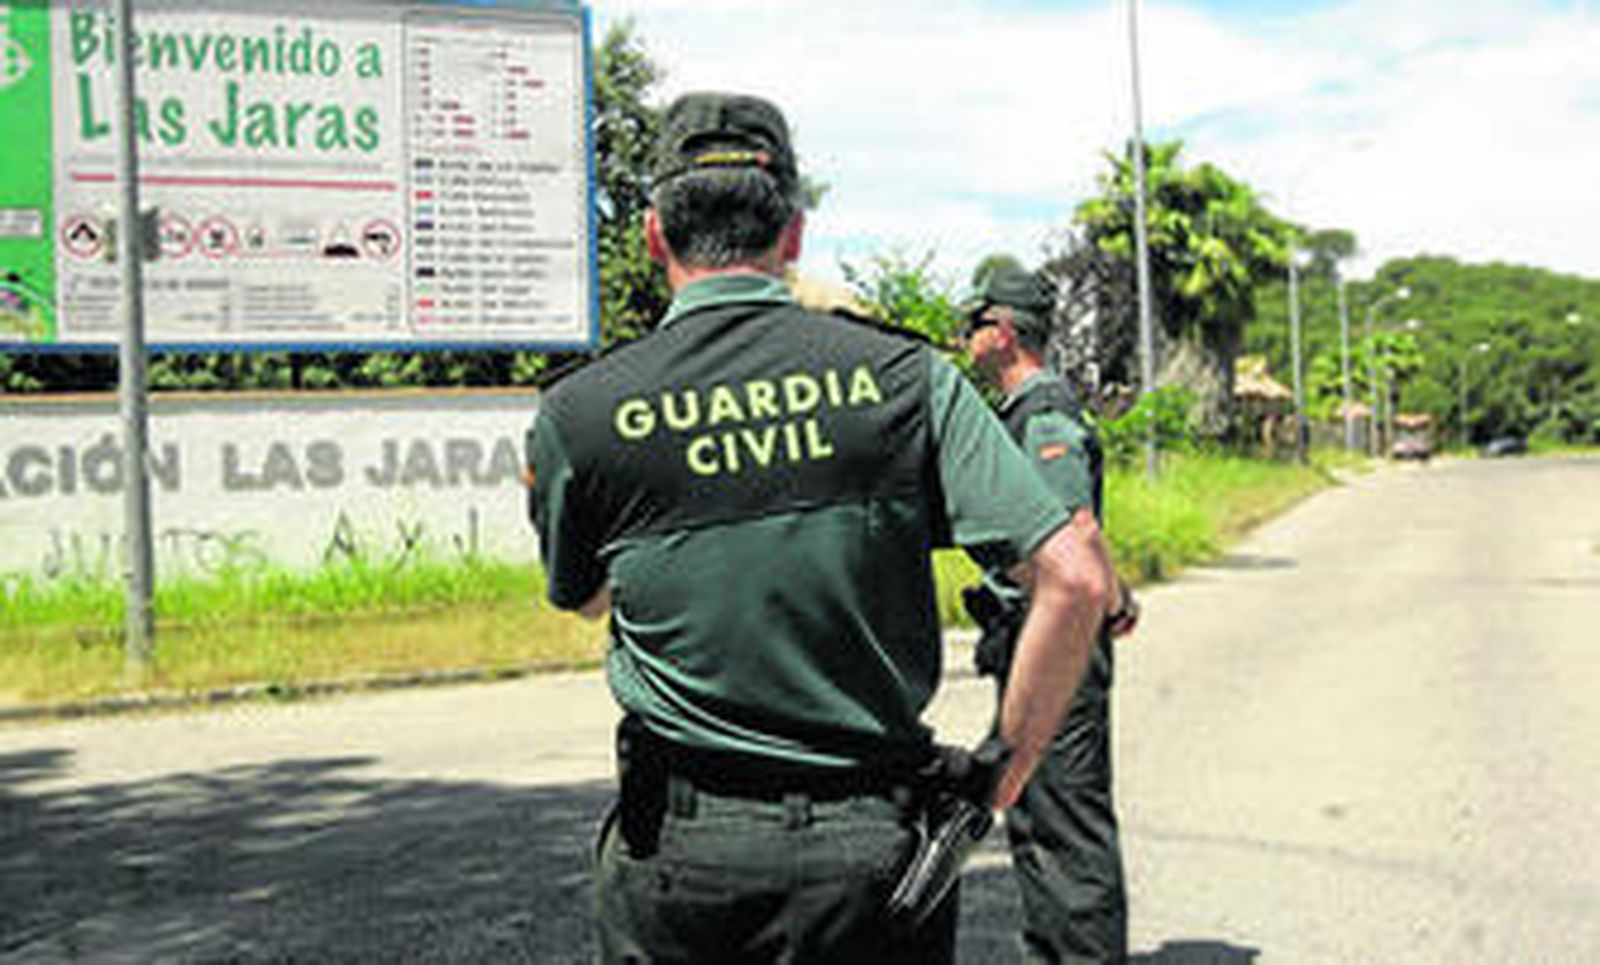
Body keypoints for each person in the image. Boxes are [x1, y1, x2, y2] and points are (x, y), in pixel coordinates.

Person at [525, 92, 1119, 964]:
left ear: (653, 234)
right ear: (793, 233)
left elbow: (585, 599)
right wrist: (1001, 775)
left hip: (679, 854)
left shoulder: (581, 411)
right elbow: (1077, 577)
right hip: (870, 855)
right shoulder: (906, 377)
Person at [960, 265, 1140, 964]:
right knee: (1037, 809)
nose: (966, 337)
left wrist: (1111, 597)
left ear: (1002, 332)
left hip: (1056, 635)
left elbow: (1076, 525)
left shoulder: (1042, 414)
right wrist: (1118, 597)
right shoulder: (1024, 410)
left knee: (1064, 818)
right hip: (1041, 630)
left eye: (974, 325)